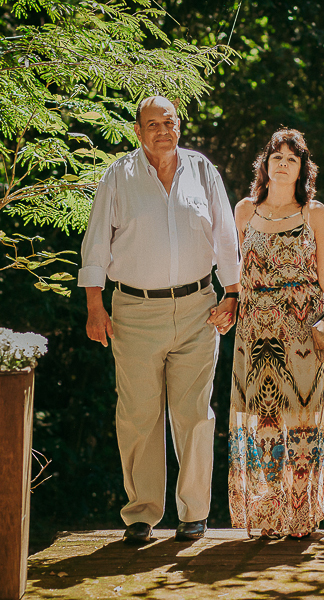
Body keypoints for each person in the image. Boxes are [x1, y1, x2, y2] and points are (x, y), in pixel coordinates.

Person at [79, 96, 240, 544]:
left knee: (194, 414)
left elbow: (225, 235)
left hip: (198, 308)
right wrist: (96, 306)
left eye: (168, 122)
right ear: (138, 131)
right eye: (152, 124)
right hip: (134, 310)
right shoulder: (118, 176)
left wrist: (233, 295)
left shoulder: (203, 171)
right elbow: (95, 243)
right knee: (137, 414)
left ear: (179, 126)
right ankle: (142, 513)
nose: (161, 131)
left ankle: (194, 513)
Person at [228, 128, 324, 539]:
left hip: (304, 331)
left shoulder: (314, 212)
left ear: (303, 169)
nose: (282, 162)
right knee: (263, 423)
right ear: (265, 164)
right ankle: (265, 516)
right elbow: (233, 272)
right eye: (276, 156)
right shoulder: (245, 210)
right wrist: (228, 305)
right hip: (255, 330)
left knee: (301, 424)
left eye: (291, 158)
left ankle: (300, 517)